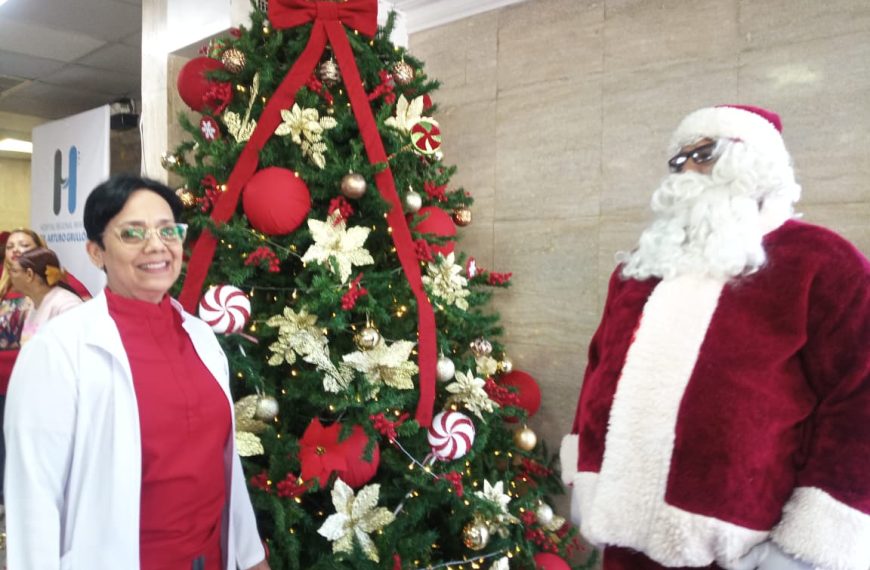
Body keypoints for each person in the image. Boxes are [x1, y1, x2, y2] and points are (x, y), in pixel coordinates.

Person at [560, 105, 869, 570]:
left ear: (755, 163)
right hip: (626, 540)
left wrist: (807, 548)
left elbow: (859, 401)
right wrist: (585, 473)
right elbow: (598, 374)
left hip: (748, 552)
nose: (685, 168)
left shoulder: (821, 262)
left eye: (702, 153)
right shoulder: (639, 269)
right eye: (677, 160)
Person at [5, 174, 270, 570]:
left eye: (169, 231)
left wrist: (250, 558)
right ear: (96, 252)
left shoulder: (201, 339)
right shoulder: (58, 350)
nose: (156, 245)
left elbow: (223, 466)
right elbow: (34, 502)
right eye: (132, 233)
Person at [6, 247, 84, 344]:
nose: (9, 276)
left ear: (29, 274)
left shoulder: (67, 305)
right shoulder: (35, 304)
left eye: (14, 271)